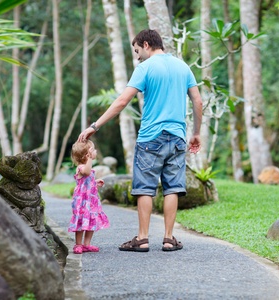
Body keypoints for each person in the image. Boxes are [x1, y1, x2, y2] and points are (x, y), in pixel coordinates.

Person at [77, 29, 202, 252]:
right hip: (177, 138)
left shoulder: (144, 68)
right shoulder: (184, 67)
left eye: (137, 51)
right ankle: (168, 238)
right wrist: (196, 133)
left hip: (150, 138)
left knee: (145, 188)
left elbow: (123, 101)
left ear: (146, 44)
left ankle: (142, 239)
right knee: (173, 188)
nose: (137, 57)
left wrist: (95, 125)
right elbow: (198, 102)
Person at [68, 139, 110, 254]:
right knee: (81, 221)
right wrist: (90, 159)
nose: (96, 151)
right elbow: (86, 173)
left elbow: (87, 181)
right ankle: (78, 244)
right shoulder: (81, 167)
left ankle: (87, 244)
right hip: (82, 201)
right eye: (93, 150)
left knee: (91, 221)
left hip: (91, 201)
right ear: (88, 154)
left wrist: (95, 183)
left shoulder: (89, 169)